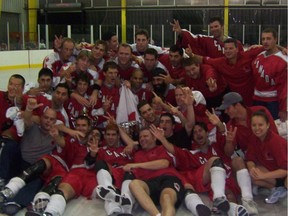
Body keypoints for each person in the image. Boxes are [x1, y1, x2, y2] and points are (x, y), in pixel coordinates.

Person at [153, 120, 258, 215]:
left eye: (200, 130)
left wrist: (229, 141)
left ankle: (247, 200)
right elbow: (174, 150)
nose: (198, 133)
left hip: (231, 178)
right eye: (195, 132)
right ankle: (220, 199)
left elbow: (229, 152)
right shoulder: (192, 154)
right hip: (216, 185)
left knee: (238, 160)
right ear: (193, 138)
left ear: (207, 133)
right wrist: (162, 139)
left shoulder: (216, 146)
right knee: (214, 161)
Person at [123, 127, 186, 216]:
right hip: (150, 184)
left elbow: (164, 163)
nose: (142, 139)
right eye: (140, 137)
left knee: (166, 198)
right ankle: (156, 215)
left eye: (145, 136)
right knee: (134, 184)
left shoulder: (162, 148)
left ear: (154, 138)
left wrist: (136, 165)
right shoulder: (137, 154)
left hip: (168, 179)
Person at [187, 38, 264, 106]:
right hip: (236, 102)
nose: (228, 51)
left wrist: (260, 45)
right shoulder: (220, 62)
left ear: (237, 49)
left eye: (231, 48)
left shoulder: (248, 55)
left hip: (255, 99)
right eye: (226, 49)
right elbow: (204, 59)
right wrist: (192, 55)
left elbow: (269, 47)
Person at [216, 92, 278, 158]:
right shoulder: (230, 126)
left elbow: (275, 134)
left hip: (272, 149)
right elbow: (228, 153)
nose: (225, 112)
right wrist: (229, 142)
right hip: (254, 158)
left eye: (228, 108)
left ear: (237, 105)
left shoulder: (261, 111)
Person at [246, 110, 287, 204]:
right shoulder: (254, 138)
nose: (257, 128)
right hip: (274, 173)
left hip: (284, 173)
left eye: (260, 125)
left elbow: (285, 169)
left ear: (268, 125)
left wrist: (263, 176)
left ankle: (282, 188)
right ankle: (276, 189)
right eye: (254, 125)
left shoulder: (276, 142)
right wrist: (252, 169)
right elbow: (249, 159)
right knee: (252, 176)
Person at [251, 28, 287, 121]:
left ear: (275, 40)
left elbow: (284, 88)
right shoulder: (258, 56)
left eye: (268, 38)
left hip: (273, 103)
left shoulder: (283, 60)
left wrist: (283, 109)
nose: (265, 42)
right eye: (263, 39)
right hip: (256, 100)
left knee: (274, 131)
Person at [171, 17, 244, 58]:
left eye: (216, 26)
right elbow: (193, 39)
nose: (214, 29)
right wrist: (181, 32)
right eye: (211, 27)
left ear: (222, 27)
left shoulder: (236, 43)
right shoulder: (206, 40)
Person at [0, 74, 26, 185]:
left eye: (17, 85)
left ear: (22, 88)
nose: (13, 88)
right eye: (11, 84)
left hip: (12, 142)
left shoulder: (25, 103)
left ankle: (2, 179)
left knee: (7, 147)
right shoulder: (0, 95)